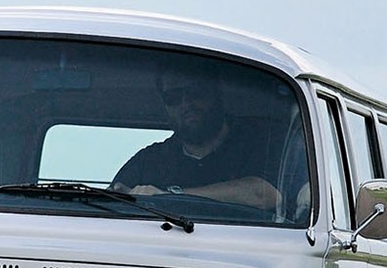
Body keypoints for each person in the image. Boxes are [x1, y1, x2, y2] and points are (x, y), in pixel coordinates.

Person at [110, 67, 284, 212]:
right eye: (173, 98)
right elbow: (109, 204)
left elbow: (264, 195)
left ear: (216, 93)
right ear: (164, 106)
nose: (186, 104)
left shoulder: (261, 139)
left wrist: (168, 197)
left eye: (195, 93)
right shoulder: (148, 161)